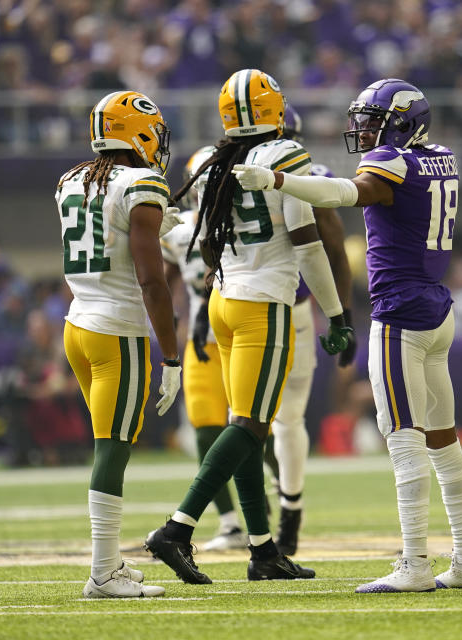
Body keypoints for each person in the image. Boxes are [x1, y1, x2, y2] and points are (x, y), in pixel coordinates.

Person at [233, 78, 462, 593]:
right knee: (443, 440)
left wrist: (278, 182)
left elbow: (345, 194)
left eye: (372, 120)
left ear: (401, 121)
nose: (363, 129)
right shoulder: (441, 157)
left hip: (400, 316)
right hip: (438, 309)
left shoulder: (394, 163)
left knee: (403, 441)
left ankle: (415, 564)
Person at [144, 69, 353, 584]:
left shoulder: (219, 161)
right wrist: (337, 313)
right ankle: (177, 528)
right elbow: (307, 243)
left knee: (246, 425)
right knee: (252, 427)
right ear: (274, 110)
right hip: (264, 304)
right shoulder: (284, 156)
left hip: (223, 301)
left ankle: (262, 548)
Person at [57, 90, 181, 598]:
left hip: (77, 327)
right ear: (140, 132)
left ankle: (109, 561)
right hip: (116, 332)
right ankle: (103, 573)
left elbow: (108, 239)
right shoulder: (142, 183)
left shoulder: (72, 180)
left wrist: (153, 225)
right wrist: (171, 355)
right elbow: (152, 281)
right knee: (113, 450)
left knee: (110, 443)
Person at [269, 104, 356, 556]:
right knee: (273, 419)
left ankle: (285, 507)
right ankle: (284, 505)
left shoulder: (227, 168)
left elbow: (334, 250)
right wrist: (341, 316)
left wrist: (341, 315)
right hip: (270, 307)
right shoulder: (290, 169)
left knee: (279, 418)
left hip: (272, 306)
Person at [161, 145, 246, 552]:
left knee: (251, 428)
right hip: (201, 342)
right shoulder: (179, 234)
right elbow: (161, 279)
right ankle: (230, 523)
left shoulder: (244, 224)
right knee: (205, 431)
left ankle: (279, 496)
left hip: (240, 334)